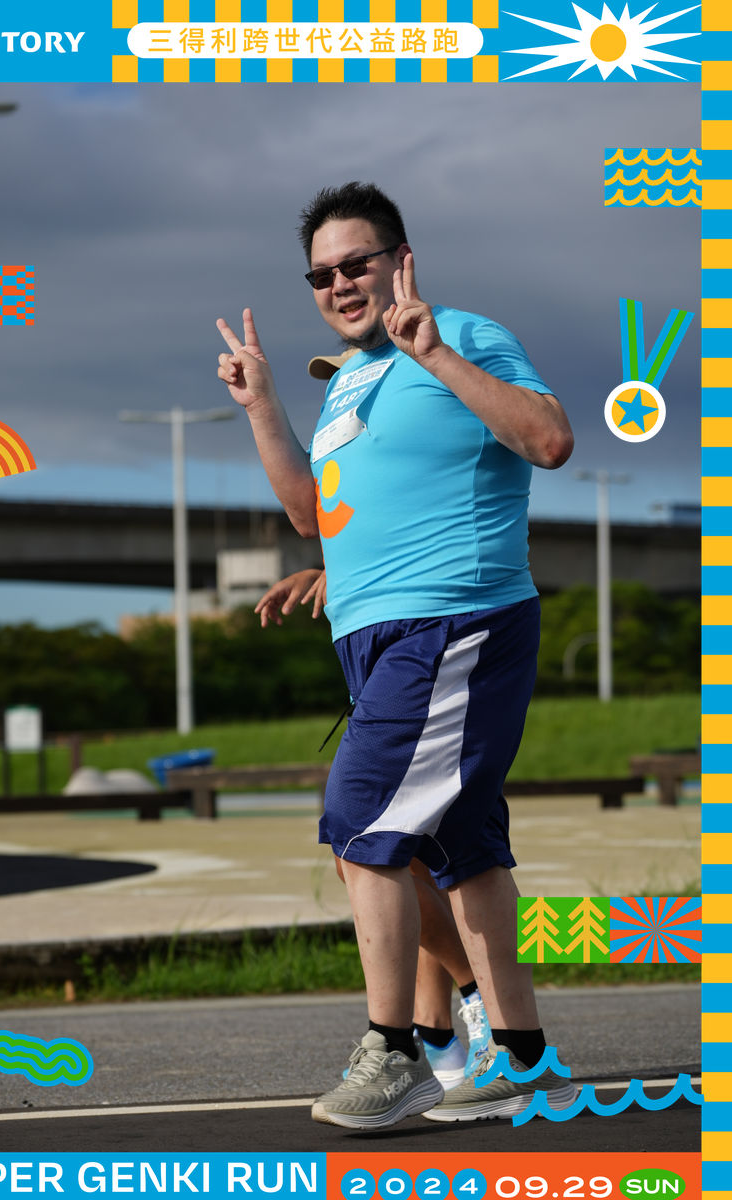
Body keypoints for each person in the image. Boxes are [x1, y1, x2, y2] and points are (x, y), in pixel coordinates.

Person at [217, 180, 577, 1130]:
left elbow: (547, 440)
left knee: (358, 821)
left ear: (399, 260)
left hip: (453, 621)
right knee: (456, 848)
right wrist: (261, 405)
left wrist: (435, 353)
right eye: (321, 275)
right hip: (374, 636)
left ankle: (396, 1050)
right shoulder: (346, 381)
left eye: (356, 264)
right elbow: (313, 515)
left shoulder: (462, 335)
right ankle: (522, 1056)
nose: (339, 284)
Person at [256, 564, 493, 1091]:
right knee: (412, 859)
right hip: (407, 650)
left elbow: (427, 533)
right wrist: (331, 567)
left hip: (445, 643)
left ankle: (476, 998)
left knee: (367, 848)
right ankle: (436, 1031)